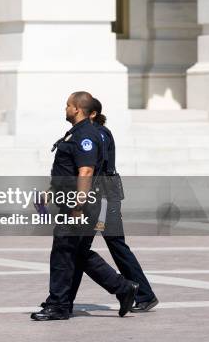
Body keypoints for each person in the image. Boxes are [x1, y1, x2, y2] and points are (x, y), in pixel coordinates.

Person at [31, 92, 138, 321]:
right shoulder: (76, 134)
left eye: (68, 105)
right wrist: (49, 195)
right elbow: (68, 172)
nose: (65, 109)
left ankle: (58, 305)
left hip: (78, 207)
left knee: (62, 253)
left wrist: (78, 204)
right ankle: (122, 288)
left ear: (77, 109)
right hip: (73, 203)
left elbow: (86, 171)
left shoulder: (86, 135)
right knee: (77, 254)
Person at [67, 98, 158, 312]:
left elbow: (92, 169)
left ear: (91, 113)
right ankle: (64, 299)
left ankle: (141, 293)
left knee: (107, 245)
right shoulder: (95, 131)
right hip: (104, 196)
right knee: (83, 247)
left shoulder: (96, 133)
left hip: (104, 197)